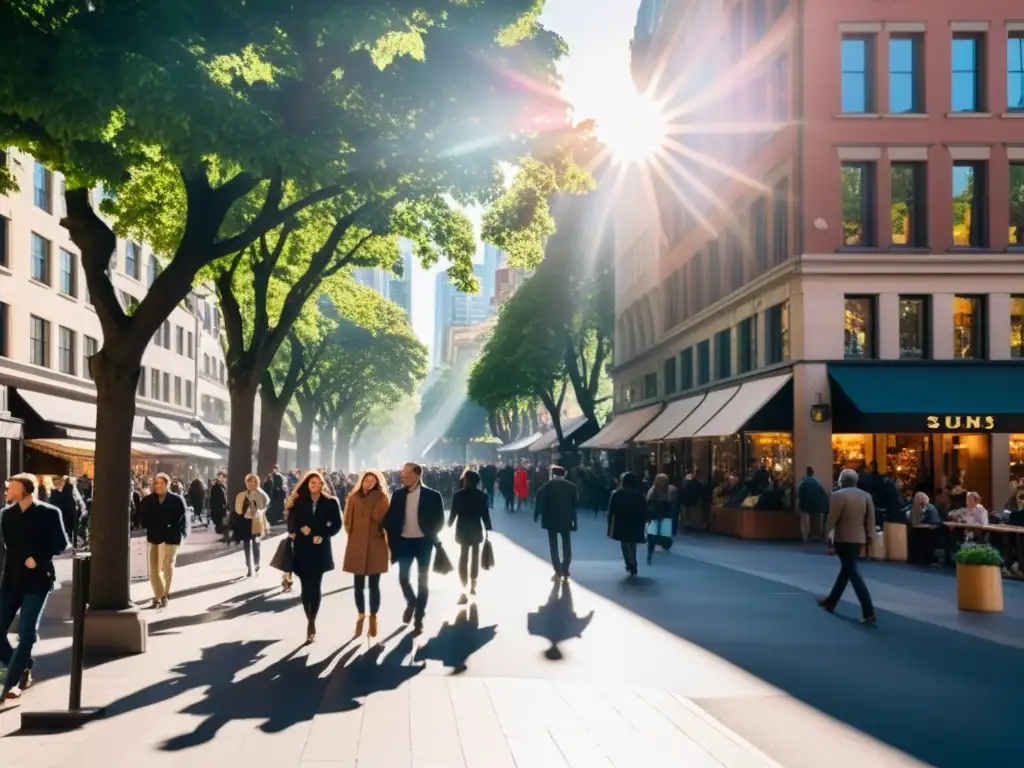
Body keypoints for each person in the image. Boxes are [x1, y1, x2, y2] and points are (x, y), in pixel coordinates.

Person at [0, 473, 69, 701]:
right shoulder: (6, 515)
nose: (7, 489)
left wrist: (38, 558)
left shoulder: (49, 513)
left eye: (12, 487)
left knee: (26, 632)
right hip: (11, 579)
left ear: (26, 490)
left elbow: (60, 542)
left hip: (37, 579)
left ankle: (12, 684)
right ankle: (23, 665)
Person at [383, 462, 444, 635]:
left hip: (424, 543)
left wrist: (430, 533)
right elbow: (390, 518)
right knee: (403, 577)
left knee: (423, 581)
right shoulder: (398, 495)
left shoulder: (432, 495)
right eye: (402, 473)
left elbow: (439, 520)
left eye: (405, 473)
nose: (402, 476)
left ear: (416, 476)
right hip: (404, 543)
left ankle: (419, 618)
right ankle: (412, 601)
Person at [287, 471, 342, 643]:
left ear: (322, 485)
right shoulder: (299, 501)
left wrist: (324, 534)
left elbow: (337, 524)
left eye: (318, 482)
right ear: (307, 484)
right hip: (302, 548)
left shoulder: (330, 502)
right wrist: (299, 528)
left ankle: (312, 621)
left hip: (319, 548)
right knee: (305, 586)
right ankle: (308, 616)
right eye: (312, 482)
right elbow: (291, 520)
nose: (314, 484)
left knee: (316, 584)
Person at [818, 468, 876, 624]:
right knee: (846, 570)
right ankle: (831, 601)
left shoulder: (838, 496)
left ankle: (868, 610)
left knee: (852, 572)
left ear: (842, 481)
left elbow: (832, 519)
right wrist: (870, 538)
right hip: (859, 538)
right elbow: (870, 520)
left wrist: (827, 536)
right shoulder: (866, 496)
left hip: (843, 539)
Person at [342, 470, 390, 638]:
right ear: (361, 481)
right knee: (358, 585)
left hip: (376, 544)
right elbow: (347, 520)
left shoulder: (382, 498)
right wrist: (353, 533)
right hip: (357, 543)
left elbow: (386, 519)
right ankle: (361, 615)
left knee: (374, 585)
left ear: (377, 482)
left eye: (372, 480)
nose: (369, 483)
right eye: (366, 480)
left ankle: (374, 617)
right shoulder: (353, 497)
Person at [138, 472, 189, 608]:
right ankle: (160, 594)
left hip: (171, 537)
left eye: (161, 483)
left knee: (168, 564)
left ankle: (164, 594)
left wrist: (169, 525)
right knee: (154, 570)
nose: (158, 486)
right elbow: (141, 516)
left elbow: (180, 517)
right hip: (154, 537)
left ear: (167, 485)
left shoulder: (177, 500)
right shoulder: (149, 500)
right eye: (156, 483)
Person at [448, 468, 493, 604]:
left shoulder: (458, 495)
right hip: (476, 528)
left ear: (466, 480)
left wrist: (449, 523)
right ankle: (473, 582)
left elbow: (453, 512)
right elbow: (485, 513)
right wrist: (487, 526)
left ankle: (463, 582)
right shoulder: (481, 496)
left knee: (463, 556)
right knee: (475, 556)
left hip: (462, 529)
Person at [535, 465, 578, 581]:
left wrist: (537, 514)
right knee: (566, 544)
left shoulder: (546, 486)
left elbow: (539, 500)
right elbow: (575, 505)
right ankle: (565, 568)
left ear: (552, 474)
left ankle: (557, 569)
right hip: (566, 518)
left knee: (553, 545)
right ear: (564, 474)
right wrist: (574, 521)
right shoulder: (571, 487)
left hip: (550, 519)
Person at [607, 472, 647, 576]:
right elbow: (644, 508)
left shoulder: (617, 493)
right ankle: (633, 561)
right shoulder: (639, 494)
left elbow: (612, 510)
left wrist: (610, 525)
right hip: (636, 520)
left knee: (624, 543)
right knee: (633, 543)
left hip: (622, 520)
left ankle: (629, 563)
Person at [233, 473, 270, 578]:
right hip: (244, 522)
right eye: (249, 481)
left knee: (256, 544)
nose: (251, 484)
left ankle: (256, 563)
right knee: (246, 544)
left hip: (256, 523)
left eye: (254, 482)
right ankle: (249, 566)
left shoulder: (260, 494)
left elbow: (265, 504)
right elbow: (238, 509)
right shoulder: (242, 495)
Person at [645, 474, 678, 564]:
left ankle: (653, 551)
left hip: (660, 516)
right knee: (654, 536)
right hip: (658, 516)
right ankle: (652, 552)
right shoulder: (654, 492)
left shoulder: (670, 491)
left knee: (656, 536)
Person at [797, 466, 830, 543]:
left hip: (805, 504)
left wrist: (799, 505)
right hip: (817, 504)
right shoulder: (816, 482)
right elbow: (823, 493)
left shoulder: (802, 482)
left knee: (805, 521)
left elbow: (799, 494)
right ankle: (816, 535)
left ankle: (805, 536)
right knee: (816, 520)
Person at [209, 471, 228, 539]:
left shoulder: (221, 487)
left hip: (219, 507)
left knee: (220, 522)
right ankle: (225, 536)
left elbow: (223, 497)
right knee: (220, 522)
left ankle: (225, 536)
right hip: (219, 507)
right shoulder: (219, 487)